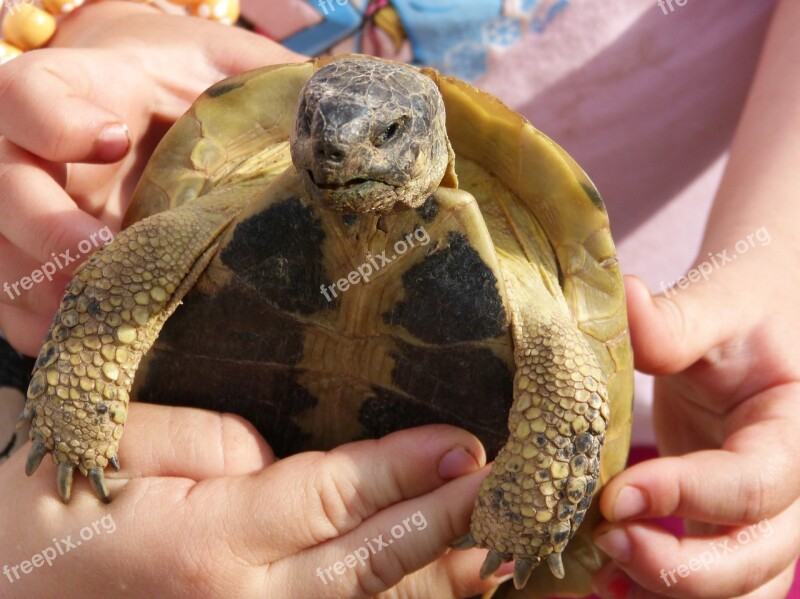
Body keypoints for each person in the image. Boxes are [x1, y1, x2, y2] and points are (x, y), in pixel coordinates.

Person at [1, 1, 799, 598]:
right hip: (164, 502)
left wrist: (776, 267)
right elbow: (123, 271)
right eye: (317, 128)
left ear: (425, 136)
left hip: (674, 441)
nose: (339, 149)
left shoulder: (523, 252)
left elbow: (566, 370)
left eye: (381, 138)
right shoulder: (239, 187)